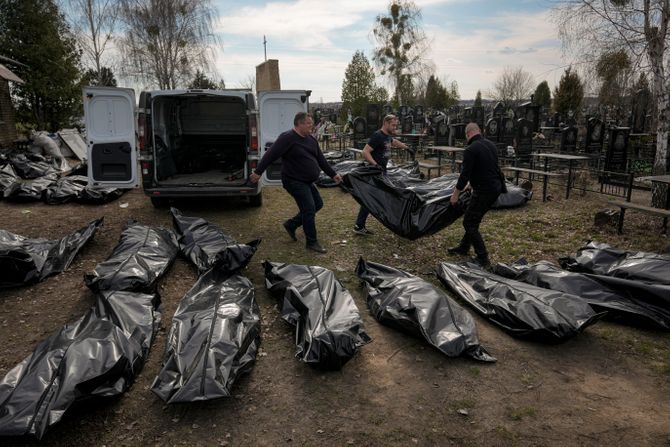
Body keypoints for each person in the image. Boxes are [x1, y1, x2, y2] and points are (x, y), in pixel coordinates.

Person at [250, 112, 342, 254]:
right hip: (293, 180)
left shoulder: (311, 139)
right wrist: (258, 172)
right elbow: (270, 155)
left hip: (307, 181)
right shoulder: (287, 138)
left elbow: (321, 159)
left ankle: (291, 224)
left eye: (311, 123)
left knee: (318, 204)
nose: (311, 126)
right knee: (309, 208)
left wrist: (333, 174)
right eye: (308, 123)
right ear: (299, 124)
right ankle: (311, 242)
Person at [447, 122, 504, 269]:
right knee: (473, 217)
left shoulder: (471, 149)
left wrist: (455, 194)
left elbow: (465, 174)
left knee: (469, 222)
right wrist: (471, 185)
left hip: (484, 190)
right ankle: (464, 247)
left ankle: (483, 258)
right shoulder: (491, 145)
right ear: (479, 131)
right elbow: (486, 167)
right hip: (495, 187)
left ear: (468, 134)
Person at [353, 114, 411, 235]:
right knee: (376, 198)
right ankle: (361, 225)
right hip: (375, 172)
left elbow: (393, 142)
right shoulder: (377, 135)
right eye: (393, 125)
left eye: (396, 125)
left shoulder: (387, 136)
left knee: (371, 199)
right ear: (385, 123)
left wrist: (406, 147)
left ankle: (359, 225)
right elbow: (365, 152)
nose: (395, 127)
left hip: (382, 171)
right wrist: (375, 165)